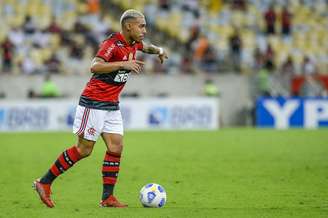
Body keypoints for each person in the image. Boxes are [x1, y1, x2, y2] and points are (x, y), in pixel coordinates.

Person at [33, 9, 168, 208]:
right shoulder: (112, 44)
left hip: (112, 104)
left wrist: (159, 50)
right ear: (128, 26)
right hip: (93, 102)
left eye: (145, 26)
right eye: (141, 26)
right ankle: (44, 182)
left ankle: (107, 198)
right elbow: (95, 66)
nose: (145, 30)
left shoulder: (134, 43)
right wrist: (124, 64)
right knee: (84, 150)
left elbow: (146, 47)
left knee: (116, 147)